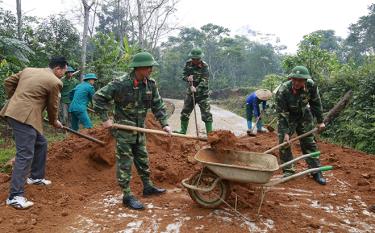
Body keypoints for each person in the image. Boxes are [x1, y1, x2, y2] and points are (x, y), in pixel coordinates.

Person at [93, 52, 171, 210]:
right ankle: (127, 195)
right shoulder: (120, 83)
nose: (151, 70)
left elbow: (157, 105)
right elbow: (98, 98)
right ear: (139, 68)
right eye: (148, 67)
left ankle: (148, 187)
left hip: (139, 128)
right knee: (125, 163)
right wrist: (105, 118)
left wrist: (164, 124)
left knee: (143, 159)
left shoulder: (150, 84)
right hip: (124, 130)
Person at [0, 57, 67, 209]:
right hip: (23, 116)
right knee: (25, 154)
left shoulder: (28, 70)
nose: (64, 74)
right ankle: (15, 196)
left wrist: (16, 99)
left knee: (41, 142)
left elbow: (8, 82)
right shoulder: (55, 82)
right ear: (59, 69)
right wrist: (54, 122)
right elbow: (53, 106)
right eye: (64, 71)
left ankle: (35, 177)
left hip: (17, 112)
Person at [275, 65, 326, 185]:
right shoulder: (282, 91)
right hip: (288, 117)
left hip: (304, 114)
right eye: (295, 79)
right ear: (291, 78)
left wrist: (320, 121)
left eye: (300, 80)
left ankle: (316, 171)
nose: (297, 82)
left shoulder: (311, 86)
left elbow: (316, 103)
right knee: (284, 142)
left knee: (309, 142)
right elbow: (282, 113)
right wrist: (286, 132)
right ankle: (288, 171)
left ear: (305, 80)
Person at [175, 48, 213, 135]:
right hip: (190, 93)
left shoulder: (205, 66)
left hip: (203, 94)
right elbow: (183, 75)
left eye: (197, 59)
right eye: (193, 59)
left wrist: (196, 89)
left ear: (200, 58)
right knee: (185, 112)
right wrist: (187, 78)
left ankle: (210, 135)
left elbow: (205, 80)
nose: (195, 61)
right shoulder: (188, 63)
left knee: (206, 114)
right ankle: (183, 131)